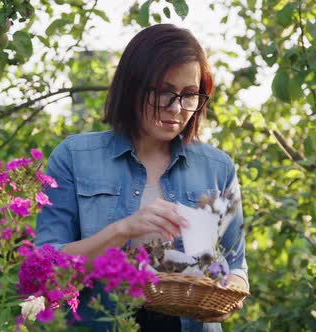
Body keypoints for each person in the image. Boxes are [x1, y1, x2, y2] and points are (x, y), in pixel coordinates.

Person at [35, 23, 248, 332]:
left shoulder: (217, 167)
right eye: (163, 91)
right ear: (132, 86)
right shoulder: (75, 157)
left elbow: (237, 267)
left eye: (189, 95)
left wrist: (225, 297)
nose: (176, 108)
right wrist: (123, 229)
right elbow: (47, 269)